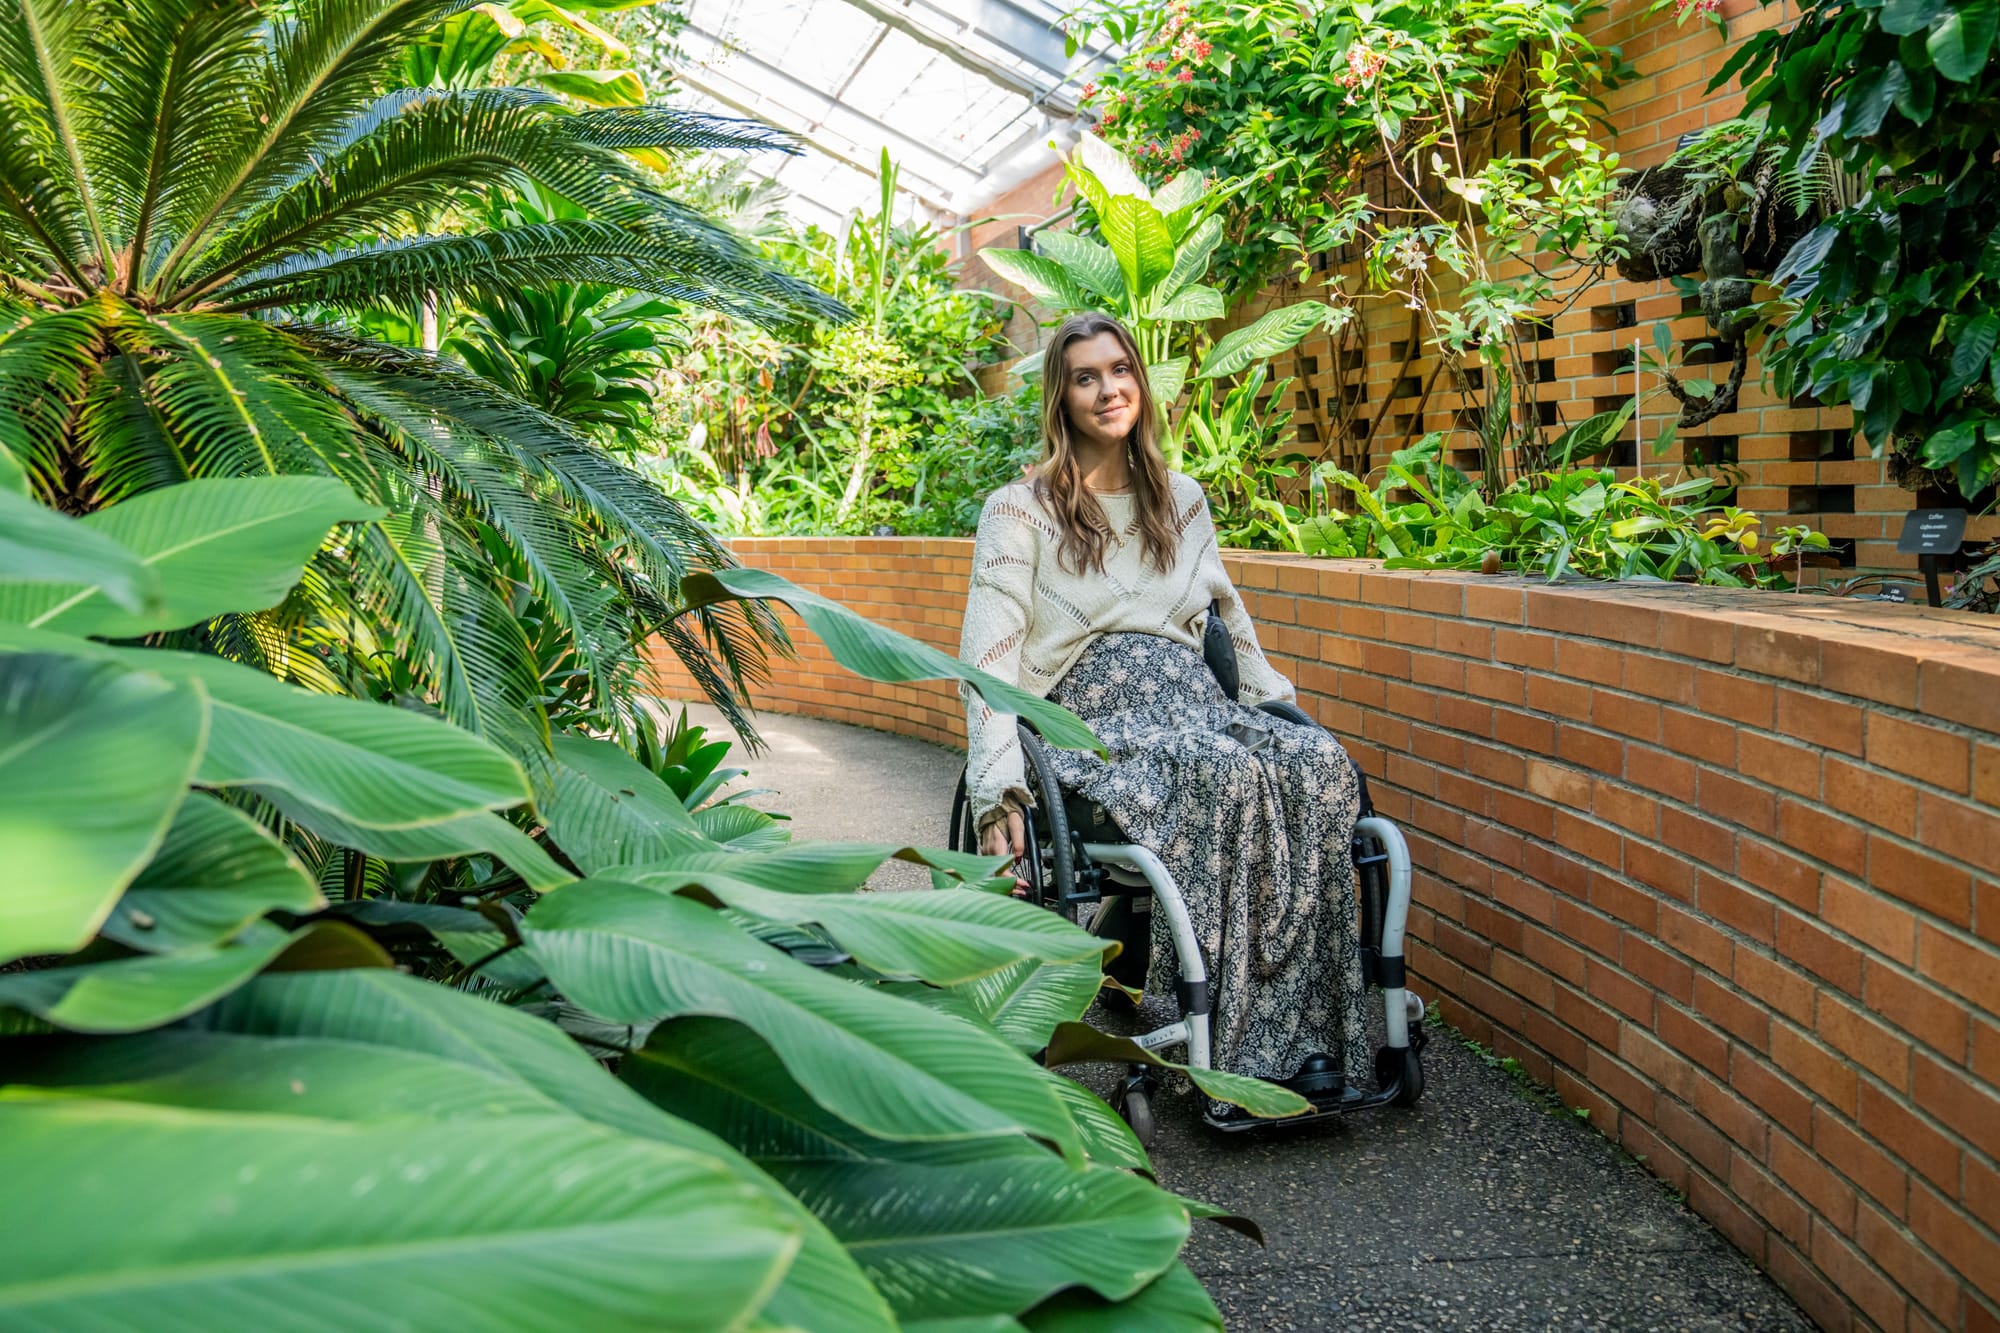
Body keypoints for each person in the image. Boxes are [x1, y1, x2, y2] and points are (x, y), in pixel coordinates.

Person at [957, 310, 1366, 1095]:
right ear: (1061, 396)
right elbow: (991, 658)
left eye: (1120, 370)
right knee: (1222, 772)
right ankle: (1235, 1050)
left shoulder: (1181, 498)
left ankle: (1315, 1033)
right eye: (1086, 376)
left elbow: (1228, 620)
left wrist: (1278, 709)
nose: (1108, 389)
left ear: (1139, 380)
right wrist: (993, 789)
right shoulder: (1020, 510)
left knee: (1318, 764)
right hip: (1094, 721)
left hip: (1198, 704)